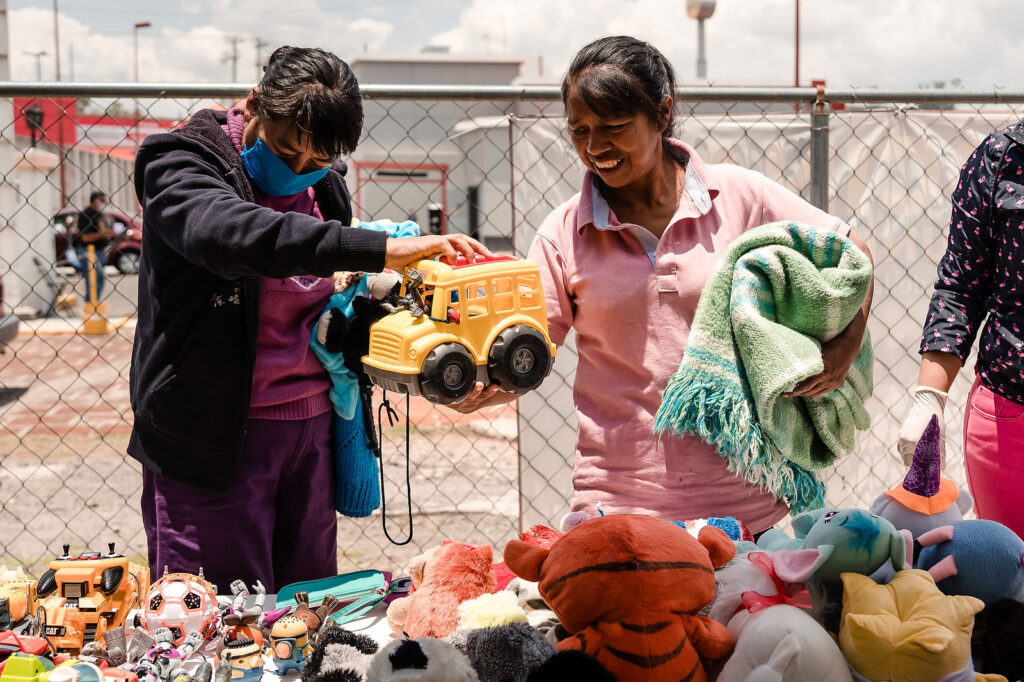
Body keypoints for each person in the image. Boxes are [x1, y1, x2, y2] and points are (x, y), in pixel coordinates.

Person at [453, 36, 874, 532]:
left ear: (662, 112)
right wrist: (476, 387)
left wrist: (847, 343)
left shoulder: (740, 197)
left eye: (614, 127)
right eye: (580, 130)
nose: (595, 148)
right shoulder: (564, 232)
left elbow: (853, 252)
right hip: (617, 504)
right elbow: (527, 351)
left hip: (743, 503)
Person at [130, 46, 490, 592]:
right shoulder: (179, 162)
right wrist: (378, 250)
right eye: (284, 150)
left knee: (308, 607)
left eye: (316, 160)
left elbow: (337, 294)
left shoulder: (324, 185)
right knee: (218, 613)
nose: (296, 171)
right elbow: (231, 235)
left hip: (311, 429)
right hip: (213, 436)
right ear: (254, 105)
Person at [899, 119, 1024, 539]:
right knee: (1008, 571)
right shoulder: (1001, 158)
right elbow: (961, 287)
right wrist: (929, 397)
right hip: (1009, 417)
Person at [74, 191, 113, 303]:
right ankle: (90, 303)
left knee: (100, 278)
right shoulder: (86, 214)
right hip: (88, 251)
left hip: (100, 251)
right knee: (92, 279)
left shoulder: (99, 215)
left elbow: (102, 231)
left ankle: (94, 302)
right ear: (95, 201)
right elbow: (86, 238)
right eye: (102, 201)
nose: (105, 203)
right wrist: (103, 234)